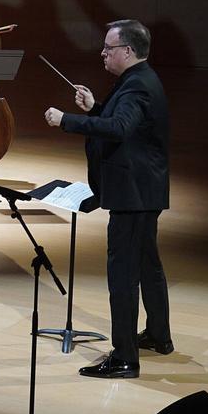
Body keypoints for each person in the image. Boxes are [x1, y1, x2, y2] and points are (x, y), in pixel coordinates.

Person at [44, 19, 171, 379]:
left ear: (127, 51)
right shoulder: (140, 79)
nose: (102, 53)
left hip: (133, 194)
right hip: (145, 190)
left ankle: (125, 357)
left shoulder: (136, 88)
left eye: (108, 48)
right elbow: (123, 123)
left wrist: (66, 119)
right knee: (148, 265)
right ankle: (160, 336)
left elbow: (119, 129)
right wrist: (95, 108)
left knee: (123, 275)